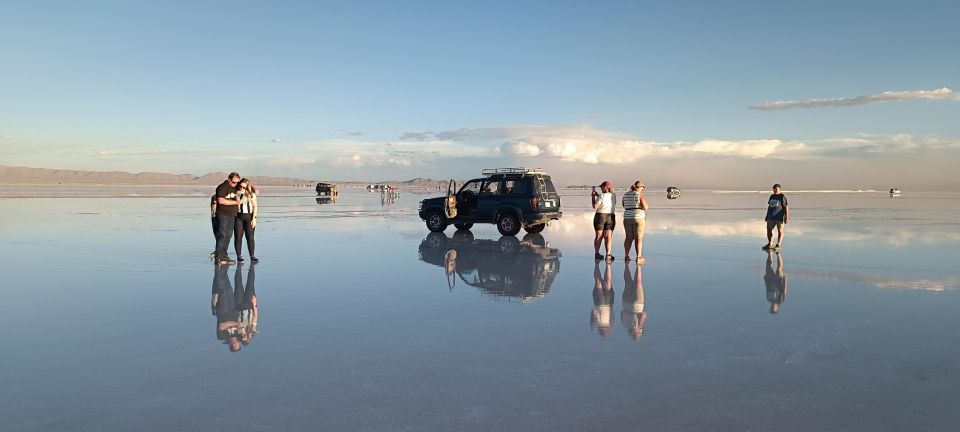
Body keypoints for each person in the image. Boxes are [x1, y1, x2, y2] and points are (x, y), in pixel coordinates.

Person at [214, 172, 244, 265]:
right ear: (229, 179)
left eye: (237, 182)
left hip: (232, 215)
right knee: (222, 235)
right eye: (234, 182)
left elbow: (251, 188)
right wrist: (236, 202)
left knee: (228, 236)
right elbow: (221, 200)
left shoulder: (235, 187)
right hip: (223, 214)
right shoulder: (222, 187)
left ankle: (224, 256)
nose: (236, 184)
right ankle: (218, 258)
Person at [622, 181, 649, 263]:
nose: (643, 189)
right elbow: (645, 207)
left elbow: (623, 205)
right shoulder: (639, 194)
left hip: (627, 217)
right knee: (638, 238)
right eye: (642, 188)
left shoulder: (626, 194)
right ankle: (639, 257)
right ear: (639, 187)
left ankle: (626, 256)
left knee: (628, 238)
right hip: (638, 217)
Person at [233, 178, 259, 263]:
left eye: (244, 187)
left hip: (249, 217)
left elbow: (255, 206)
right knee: (238, 237)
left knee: (250, 237)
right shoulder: (235, 192)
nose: (241, 188)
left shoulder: (251, 194)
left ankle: (252, 255)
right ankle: (239, 256)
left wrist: (254, 218)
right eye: (240, 186)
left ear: (247, 187)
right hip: (238, 217)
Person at [621, 261, 647, 340]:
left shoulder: (638, 325)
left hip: (637, 305)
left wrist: (640, 325)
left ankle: (638, 266)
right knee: (627, 281)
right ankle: (626, 265)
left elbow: (643, 314)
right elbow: (621, 313)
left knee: (638, 282)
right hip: (625, 302)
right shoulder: (624, 323)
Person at [592, 180, 617, 261]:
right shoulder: (613, 195)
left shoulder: (601, 196)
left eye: (602, 187)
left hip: (600, 216)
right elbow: (606, 200)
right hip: (610, 216)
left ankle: (597, 253)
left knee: (599, 236)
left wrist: (593, 197)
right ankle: (608, 254)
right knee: (608, 236)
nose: (601, 189)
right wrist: (598, 195)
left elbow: (595, 206)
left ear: (605, 187)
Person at [590, 260, 615, 339]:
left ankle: (606, 265)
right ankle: (600, 265)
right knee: (600, 281)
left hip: (605, 303)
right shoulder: (599, 323)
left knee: (604, 282)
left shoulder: (608, 323)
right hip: (603, 303)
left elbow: (594, 312)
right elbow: (593, 312)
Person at [763, 183, 789, 251]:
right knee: (769, 229)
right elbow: (769, 206)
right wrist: (767, 215)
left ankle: (778, 245)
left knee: (780, 231)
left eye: (776, 189)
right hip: (771, 217)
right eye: (773, 189)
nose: (774, 190)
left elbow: (786, 207)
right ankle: (770, 243)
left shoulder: (782, 197)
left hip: (779, 217)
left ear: (779, 189)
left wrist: (786, 217)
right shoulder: (772, 196)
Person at [764, 250, 787, 314]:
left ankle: (770, 253)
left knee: (768, 266)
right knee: (779, 268)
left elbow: (767, 288)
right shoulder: (781, 300)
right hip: (778, 282)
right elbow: (784, 290)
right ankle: (778, 253)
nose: (771, 307)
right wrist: (785, 281)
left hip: (770, 280)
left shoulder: (768, 299)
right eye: (773, 308)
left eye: (771, 308)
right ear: (777, 308)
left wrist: (765, 280)